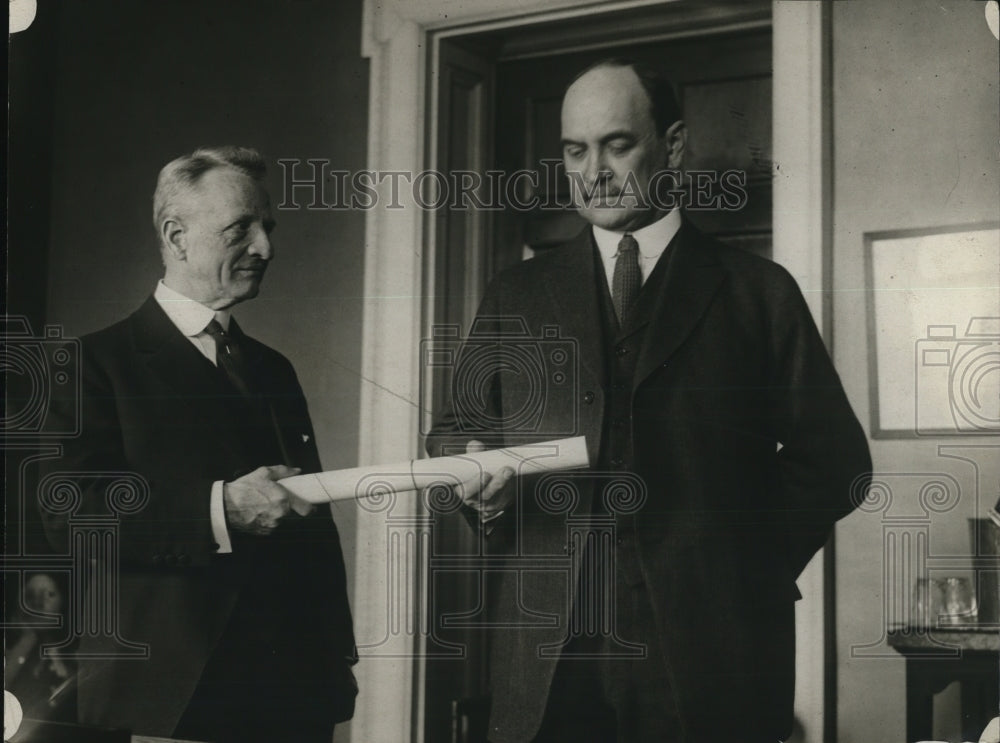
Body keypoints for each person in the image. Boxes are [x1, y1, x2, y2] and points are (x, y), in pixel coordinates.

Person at [427, 59, 872, 743]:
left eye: (617, 143)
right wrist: (473, 475)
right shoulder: (515, 294)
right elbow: (456, 431)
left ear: (672, 144)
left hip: (714, 652)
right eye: (575, 150)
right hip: (550, 650)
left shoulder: (758, 291)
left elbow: (836, 456)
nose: (593, 170)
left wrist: (741, 562)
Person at [38, 147, 357, 743]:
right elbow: (71, 514)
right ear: (177, 236)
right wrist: (223, 509)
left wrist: (334, 651)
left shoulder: (273, 369)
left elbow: (313, 528)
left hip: (294, 690)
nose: (265, 247)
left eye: (268, 227)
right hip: (176, 697)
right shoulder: (90, 365)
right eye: (242, 228)